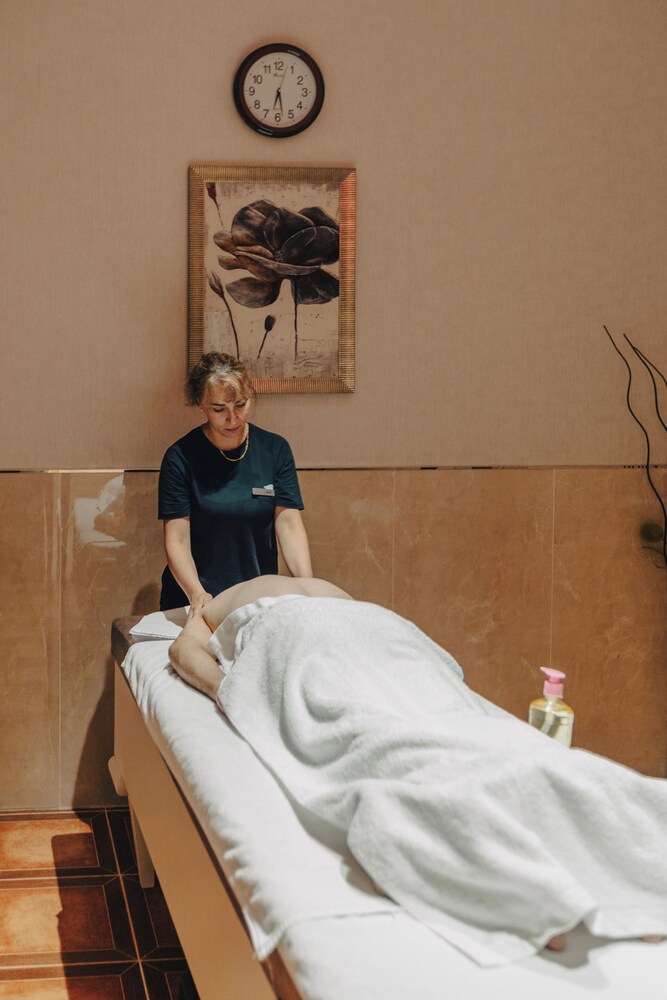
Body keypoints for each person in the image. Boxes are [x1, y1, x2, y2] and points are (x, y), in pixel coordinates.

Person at [168, 574, 666, 961]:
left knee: (369, 731)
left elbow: (182, 651)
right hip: (383, 628)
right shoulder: (329, 587)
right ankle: (608, 834)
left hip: (297, 635)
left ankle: (510, 881)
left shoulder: (218, 602)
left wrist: (233, 691)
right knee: (452, 721)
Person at [158, 353, 313, 612]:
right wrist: (197, 593)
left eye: (240, 405)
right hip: (195, 599)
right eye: (219, 409)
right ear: (201, 404)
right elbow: (177, 540)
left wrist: (308, 587)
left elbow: (289, 525)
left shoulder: (274, 450)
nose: (233, 418)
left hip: (255, 599)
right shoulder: (180, 458)